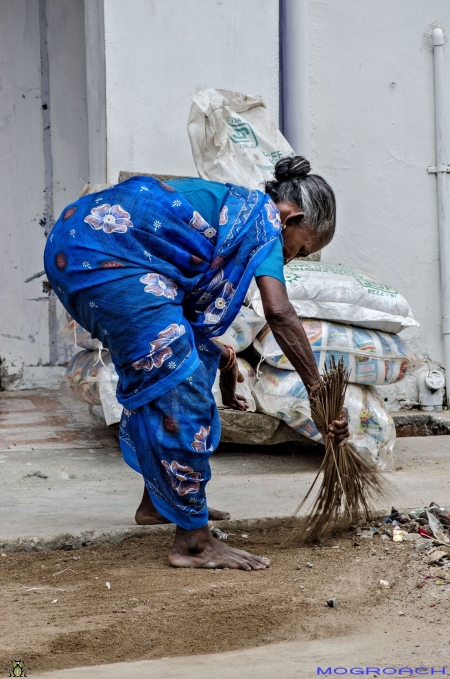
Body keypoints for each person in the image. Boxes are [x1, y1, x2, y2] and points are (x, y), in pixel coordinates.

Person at [44, 155, 348, 571]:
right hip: (103, 257)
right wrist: (317, 389)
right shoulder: (264, 225)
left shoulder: (237, 210)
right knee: (180, 390)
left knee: (194, 358)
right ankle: (193, 543)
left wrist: (223, 359)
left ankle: (161, 502)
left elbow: (184, 288)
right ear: (291, 217)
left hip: (85, 248)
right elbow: (280, 312)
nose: (291, 258)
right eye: (303, 248)